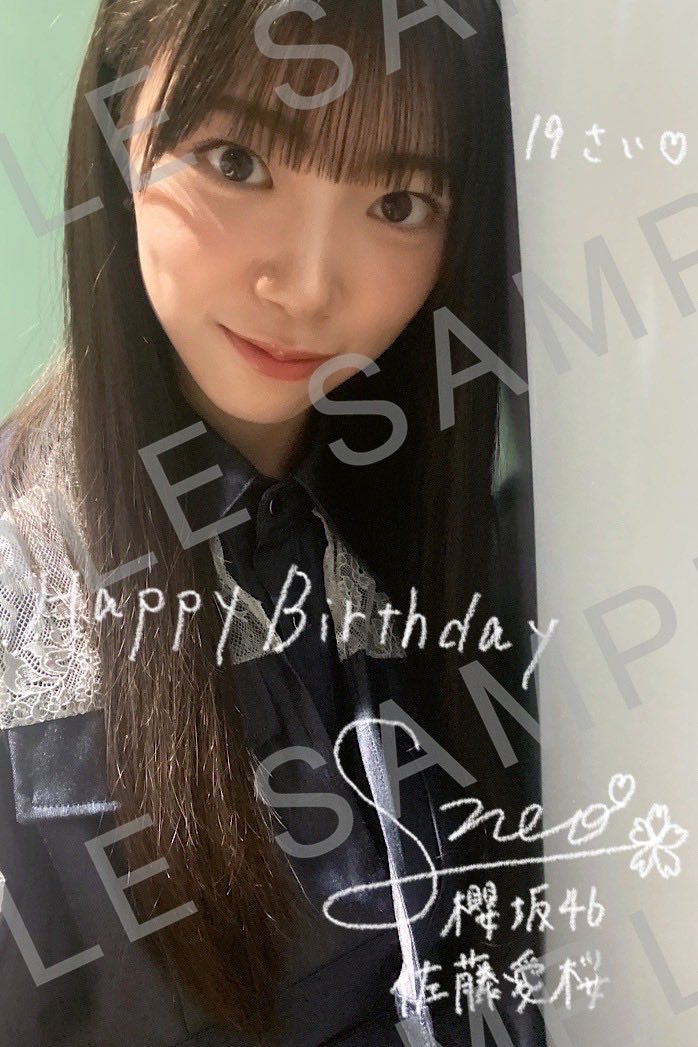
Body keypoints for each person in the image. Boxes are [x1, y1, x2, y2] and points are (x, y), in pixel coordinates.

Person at [0, 1, 545, 1044]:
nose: (305, 284)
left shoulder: (472, 550)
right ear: (118, 129)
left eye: (396, 201)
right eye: (236, 161)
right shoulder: (24, 592)